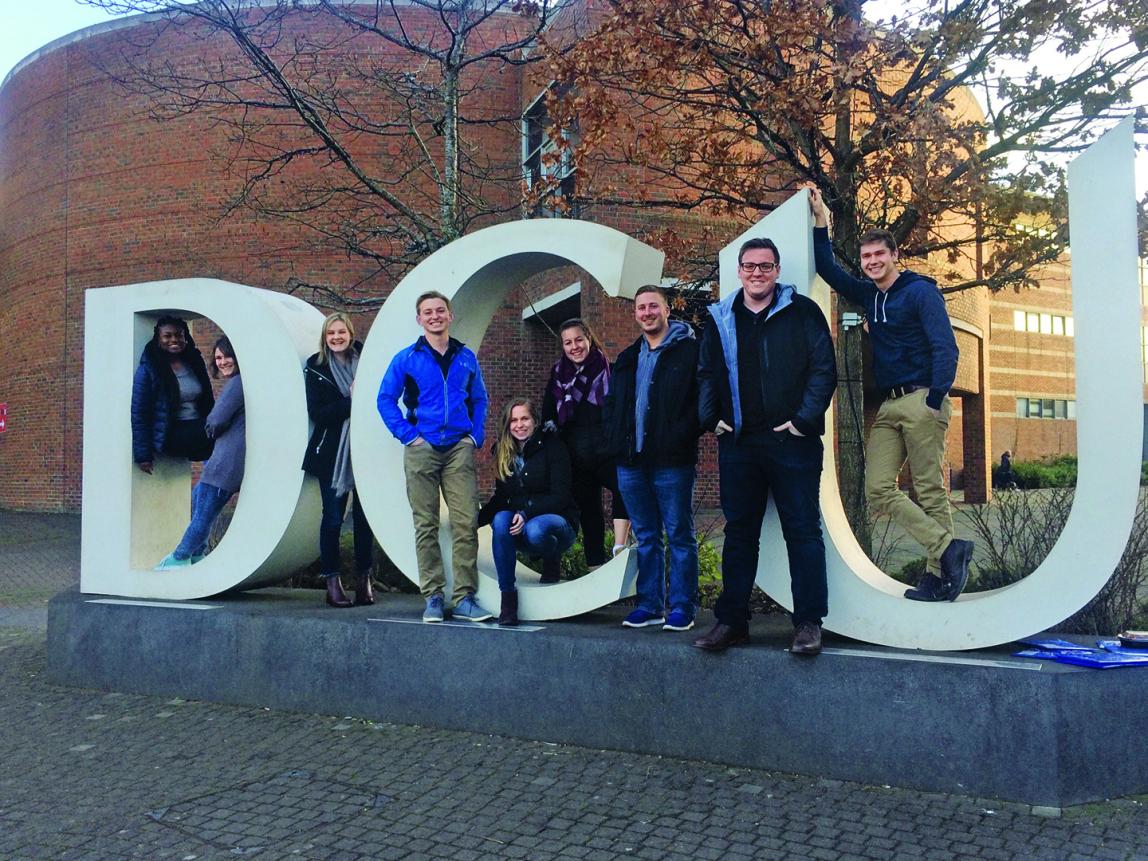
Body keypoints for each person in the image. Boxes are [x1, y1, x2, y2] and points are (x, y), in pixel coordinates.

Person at [808, 185, 974, 602]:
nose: (872, 262)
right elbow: (829, 269)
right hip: (888, 404)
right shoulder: (869, 295)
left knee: (929, 490)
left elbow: (945, 346)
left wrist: (936, 398)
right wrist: (821, 223)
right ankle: (949, 549)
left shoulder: (920, 292)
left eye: (879, 254)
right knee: (878, 488)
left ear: (894, 255)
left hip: (921, 399)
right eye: (866, 257)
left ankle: (938, 580)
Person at [693, 238, 837, 656]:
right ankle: (731, 622)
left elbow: (823, 369)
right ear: (739, 270)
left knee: (803, 531)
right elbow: (705, 373)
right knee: (739, 534)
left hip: (792, 443)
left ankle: (809, 622)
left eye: (765, 266)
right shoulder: (720, 317)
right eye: (750, 266)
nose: (757, 273)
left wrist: (804, 421)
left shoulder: (802, 312)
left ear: (776, 271)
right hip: (740, 443)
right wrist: (711, 417)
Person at [377, 291, 491, 623]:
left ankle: (465, 598)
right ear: (419, 319)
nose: (434, 316)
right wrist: (407, 435)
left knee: (466, 522)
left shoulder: (466, 356)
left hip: (458, 447)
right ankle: (434, 597)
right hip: (421, 447)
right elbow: (385, 399)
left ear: (450, 315)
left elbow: (480, 399)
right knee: (425, 525)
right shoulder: (407, 358)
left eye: (440, 311)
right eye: (427, 312)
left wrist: (475, 435)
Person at [603, 284, 701, 632]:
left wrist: (682, 434)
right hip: (631, 461)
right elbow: (613, 405)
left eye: (653, 306)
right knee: (645, 537)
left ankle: (682, 607)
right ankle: (650, 604)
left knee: (679, 535)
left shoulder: (689, 351)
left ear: (667, 309)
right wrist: (615, 443)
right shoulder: (629, 356)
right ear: (635, 314)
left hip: (672, 461)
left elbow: (700, 402)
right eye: (641, 307)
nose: (647, 312)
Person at [478, 398, 580, 626]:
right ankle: (508, 599)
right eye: (514, 420)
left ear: (535, 421)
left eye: (525, 418)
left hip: (558, 523)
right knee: (500, 519)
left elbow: (560, 497)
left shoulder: (554, 447)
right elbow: (501, 499)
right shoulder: (504, 452)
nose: (519, 425)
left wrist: (525, 512)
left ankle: (551, 557)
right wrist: (473, 522)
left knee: (536, 529)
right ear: (507, 424)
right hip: (521, 524)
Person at [541, 318, 630, 571]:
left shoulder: (609, 372)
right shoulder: (557, 378)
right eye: (568, 342)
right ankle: (594, 568)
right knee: (590, 514)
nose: (574, 346)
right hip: (576, 458)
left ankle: (620, 548)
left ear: (589, 338)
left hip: (608, 453)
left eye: (579, 339)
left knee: (625, 489)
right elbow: (548, 416)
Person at [302, 312, 376, 608]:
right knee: (332, 518)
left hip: (366, 451)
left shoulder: (368, 361)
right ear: (324, 337)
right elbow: (319, 413)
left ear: (350, 333)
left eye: (341, 332)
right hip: (332, 454)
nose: (336, 337)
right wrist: (351, 400)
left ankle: (364, 580)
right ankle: (332, 582)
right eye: (330, 333)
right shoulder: (316, 367)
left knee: (365, 518)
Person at [155, 337, 245, 570]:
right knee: (199, 502)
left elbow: (216, 420)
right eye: (218, 358)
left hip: (226, 461)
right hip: (227, 459)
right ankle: (197, 555)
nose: (223, 361)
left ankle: (179, 557)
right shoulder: (243, 382)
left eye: (227, 356)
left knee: (204, 512)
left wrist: (210, 429)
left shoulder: (238, 383)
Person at [131, 315, 214, 473]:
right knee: (223, 433)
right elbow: (139, 413)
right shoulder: (149, 369)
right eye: (167, 336)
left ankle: (209, 487)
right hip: (171, 433)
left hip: (197, 427)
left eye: (179, 335)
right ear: (158, 339)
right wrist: (143, 455)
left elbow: (208, 400)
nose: (174, 339)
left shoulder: (193, 363)